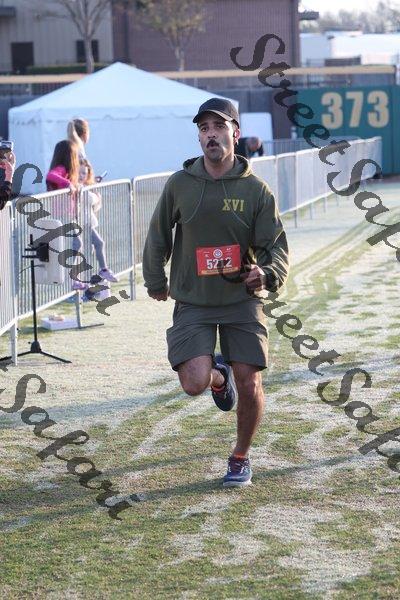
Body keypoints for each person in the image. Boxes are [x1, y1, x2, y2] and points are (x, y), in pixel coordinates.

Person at [142, 98, 289, 487]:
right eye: (204, 128)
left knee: (250, 382)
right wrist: (155, 280)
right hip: (194, 300)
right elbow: (158, 235)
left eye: (219, 127)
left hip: (241, 300)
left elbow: (275, 246)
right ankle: (218, 378)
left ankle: (240, 457)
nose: (211, 135)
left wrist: (267, 274)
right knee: (194, 383)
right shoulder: (180, 184)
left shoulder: (256, 190)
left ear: (235, 134)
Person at [79, 159, 118, 283]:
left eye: (84, 173)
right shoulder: (79, 188)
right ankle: (100, 271)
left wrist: (93, 185)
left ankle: (94, 275)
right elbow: (92, 199)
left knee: (92, 248)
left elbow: (95, 203)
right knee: (97, 245)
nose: (81, 176)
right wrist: (94, 189)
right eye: (79, 173)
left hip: (87, 223)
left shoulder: (85, 187)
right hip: (80, 224)